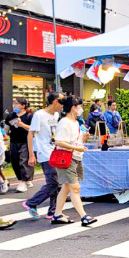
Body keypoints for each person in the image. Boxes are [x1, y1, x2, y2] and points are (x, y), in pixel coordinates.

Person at [50, 95, 96, 226]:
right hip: (66, 158)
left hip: (75, 157)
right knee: (75, 188)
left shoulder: (76, 122)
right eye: (79, 106)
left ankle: (58, 214)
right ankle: (84, 216)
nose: (81, 109)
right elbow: (59, 141)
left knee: (66, 187)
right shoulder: (64, 122)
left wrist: (84, 139)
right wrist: (76, 147)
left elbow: (75, 140)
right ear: (73, 108)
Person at [24, 92, 64, 220]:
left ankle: (53, 212)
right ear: (55, 101)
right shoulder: (39, 115)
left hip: (55, 151)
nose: (63, 105)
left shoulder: (56, 115)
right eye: (61, 102)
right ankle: (31, 202)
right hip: (45, 152)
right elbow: (30, 134)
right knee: (53, 182)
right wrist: (31, 155)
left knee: (58, 183)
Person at [5, 97, 34, 192]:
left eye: (16, 103)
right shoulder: (11, 116)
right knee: (15, 162)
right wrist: (4, 135)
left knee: (23, 161)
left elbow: (32, 129)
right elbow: (6, 127)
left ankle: (23, 181)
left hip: (25, 141)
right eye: (14, 103)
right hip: (13, 141)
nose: (14, 105)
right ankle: (23, 179)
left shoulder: (29, 116)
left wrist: (22, 125)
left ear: (23, 105)